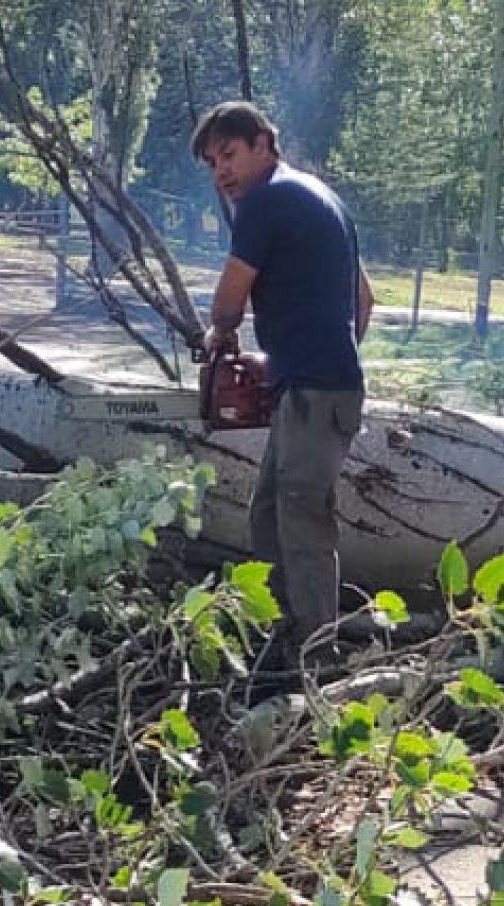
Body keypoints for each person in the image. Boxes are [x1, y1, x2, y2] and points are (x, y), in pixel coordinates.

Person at [193, 101, 375, 652]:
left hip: (316, 388)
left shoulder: (265, 201)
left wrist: (219, 338)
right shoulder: (323, 199)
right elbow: (362, 300)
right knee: (270, 512)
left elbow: (229, 300)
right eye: (211, 162)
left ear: (264, 144)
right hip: (317, 381)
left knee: (301, 520)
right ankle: (281, 628)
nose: (222, 171)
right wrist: (299, 357)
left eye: (229, 154)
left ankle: (315, 651)